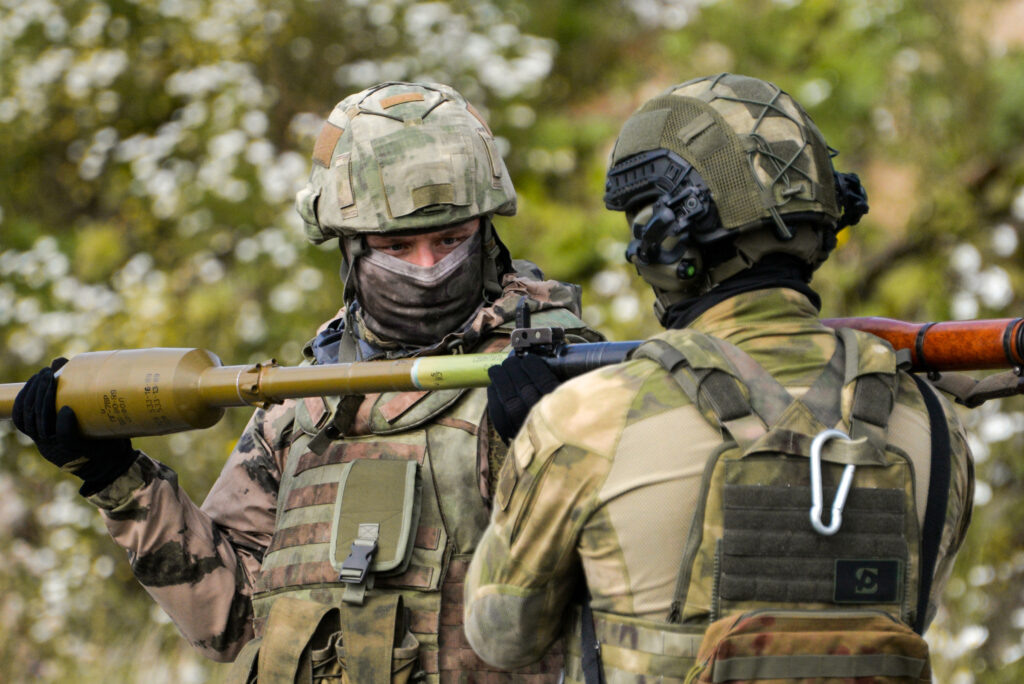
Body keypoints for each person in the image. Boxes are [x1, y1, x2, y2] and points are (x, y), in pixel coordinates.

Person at [13, 82, 600, 682]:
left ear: (486, 233)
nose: (428, 268)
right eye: (397, 246)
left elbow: (622, 588)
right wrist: (117, 479)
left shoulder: (559, 371)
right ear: (350, 250)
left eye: (451, 239)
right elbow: (228, 618)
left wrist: (551, 454)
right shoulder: (306, 399)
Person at [465, 73, 974, 682]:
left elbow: (501, 636)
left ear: (666, 244)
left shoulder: (588, 417)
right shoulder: (932, 423)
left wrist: (528, 458)